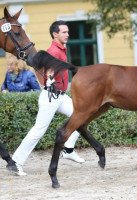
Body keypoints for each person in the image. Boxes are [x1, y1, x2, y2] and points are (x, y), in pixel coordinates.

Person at [8, 20, 85, 176]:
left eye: (68, 32)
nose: (67, 34)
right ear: (55, 34)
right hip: (50, 96)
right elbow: (48, 70)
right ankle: (15, 162)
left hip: (61, 96)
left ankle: (68, 150)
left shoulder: (62, 48)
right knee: (38, 131)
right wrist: (49, 79)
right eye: (64, 32)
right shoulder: (53, 51)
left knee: (82, 117)